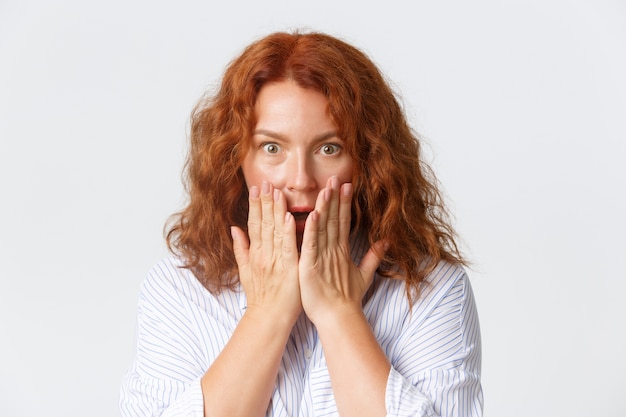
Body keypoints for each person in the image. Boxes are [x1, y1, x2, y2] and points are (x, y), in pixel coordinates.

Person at [120, 31, 483, 417]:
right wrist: (267, 313)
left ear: (367, 159)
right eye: (272, 148)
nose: (300, 180)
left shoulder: (432, 291)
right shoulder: (178, 291)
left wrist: (340, 313)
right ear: (236, 159)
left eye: (330, 148)